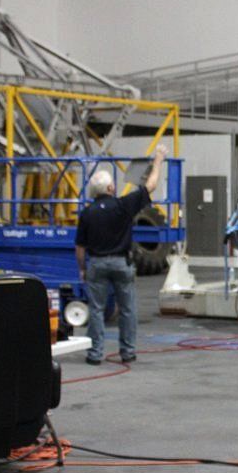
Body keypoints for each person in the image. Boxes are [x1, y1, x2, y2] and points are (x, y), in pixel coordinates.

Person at [75, 145, 168, 365]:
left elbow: (79, 247)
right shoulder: (123, 206)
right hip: (121, 264)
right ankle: (127, 351)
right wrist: (159, 160)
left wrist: (82, 268)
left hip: (97, 263)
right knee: (127, 309)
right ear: (110, 187)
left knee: (96, 310)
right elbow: (151, 185)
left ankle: (95, 353)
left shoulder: (87, 213)